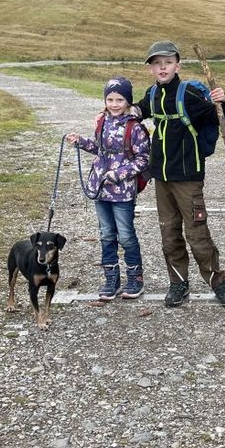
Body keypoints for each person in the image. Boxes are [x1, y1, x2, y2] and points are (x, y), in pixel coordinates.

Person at [135, 40, 225, 309]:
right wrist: (123, 111)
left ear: (177, 65)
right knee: (169, 234)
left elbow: (217, 116)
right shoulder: (153, 95)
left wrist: (222, 102)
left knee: (197, 233)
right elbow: (140, 109)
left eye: (167, 62)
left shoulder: (188, 93)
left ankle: (218, 282)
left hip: (188, 178)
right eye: (157, 64)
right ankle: (178, 283)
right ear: (151, 70)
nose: (162, 68)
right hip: (162, 179)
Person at [66, 76, 150, 301]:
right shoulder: (102, 122)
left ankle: (135, 277)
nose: (114, 104)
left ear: (128, 101)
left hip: (122, 191)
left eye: (120, 99)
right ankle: (111, 278)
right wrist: (81, 142)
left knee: (126, 235)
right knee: (106, 234)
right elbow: (99, 149)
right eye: (110, 99)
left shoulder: (136, 128)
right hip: (100, 188)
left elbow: (143, 159)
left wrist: (119, 174)